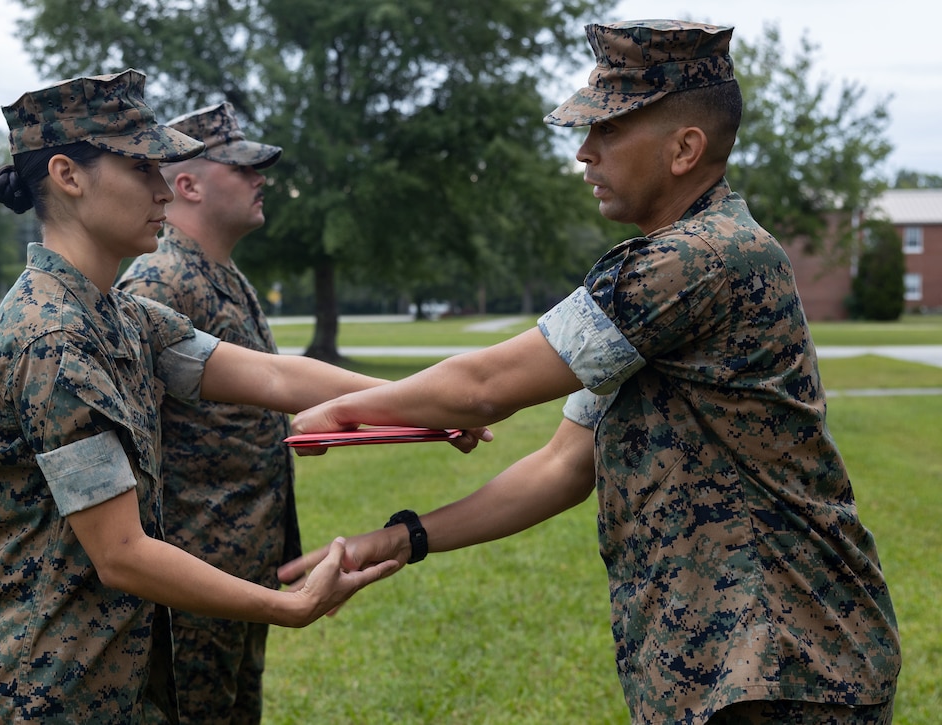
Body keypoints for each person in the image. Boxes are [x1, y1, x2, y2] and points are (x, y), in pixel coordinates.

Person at [278, 20, 902, 725]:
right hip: (734, 667)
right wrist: (398, 536)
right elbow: (562, 465)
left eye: (607, 130)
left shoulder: (698, 259)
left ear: (684, 149)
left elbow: (485, 386)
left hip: (784, 667)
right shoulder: (674, 267)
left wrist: (349, 408)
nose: (584, 152)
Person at [0, 69, 405, 724]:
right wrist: (286, 605)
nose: (162, 189)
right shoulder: (54, 339)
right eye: (142, 168)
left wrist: (425, 401)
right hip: (35, 688)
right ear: (68, 175)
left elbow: (273, 377)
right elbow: (121, 553)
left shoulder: (117, 315)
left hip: (105, 678)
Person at [115, 102, 293, 724]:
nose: (259, 178)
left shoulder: (224, 277)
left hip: (240, 560)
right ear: (186, 184)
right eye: (242, 168)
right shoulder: (160, 284)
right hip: (191, 572)